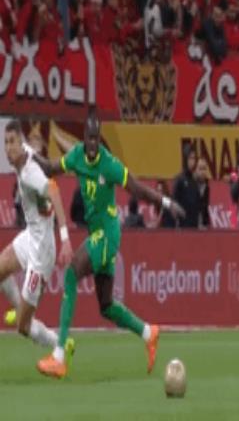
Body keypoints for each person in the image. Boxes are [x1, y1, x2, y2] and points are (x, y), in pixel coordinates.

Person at [33, 110, 185, 379]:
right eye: (89, 138)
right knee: (106, 305)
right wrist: (28, 155)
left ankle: (59, 355)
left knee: (71, 273)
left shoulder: (110, 164)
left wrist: (165, 202)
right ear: (84, 137)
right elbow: (50, 169)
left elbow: (136, 188)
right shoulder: (76, 156)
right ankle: (148, 332)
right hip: (98, 234)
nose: (92, 143)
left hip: (108, 234)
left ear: (99, 138)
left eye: (96, 138)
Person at [0, 120, 75, 356]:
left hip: (41, 254)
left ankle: (60, 343)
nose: (8, 148)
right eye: (5, 142)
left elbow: (54, 191)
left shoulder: (30, 173)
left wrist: (65, 239)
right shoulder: (25, 155)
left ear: (20, 143)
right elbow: (45, 162)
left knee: (23, 327)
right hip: (31, 236)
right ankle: (19, 306)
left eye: (12, 141)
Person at [173, 144, 202, 228]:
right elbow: (174, 202)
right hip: (183, 226)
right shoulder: (179, 179)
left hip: (194, 226)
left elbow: (198, 204)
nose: (192, 161)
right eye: (190, 158)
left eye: (194, 158)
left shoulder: (195, 180)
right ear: (185, 159)